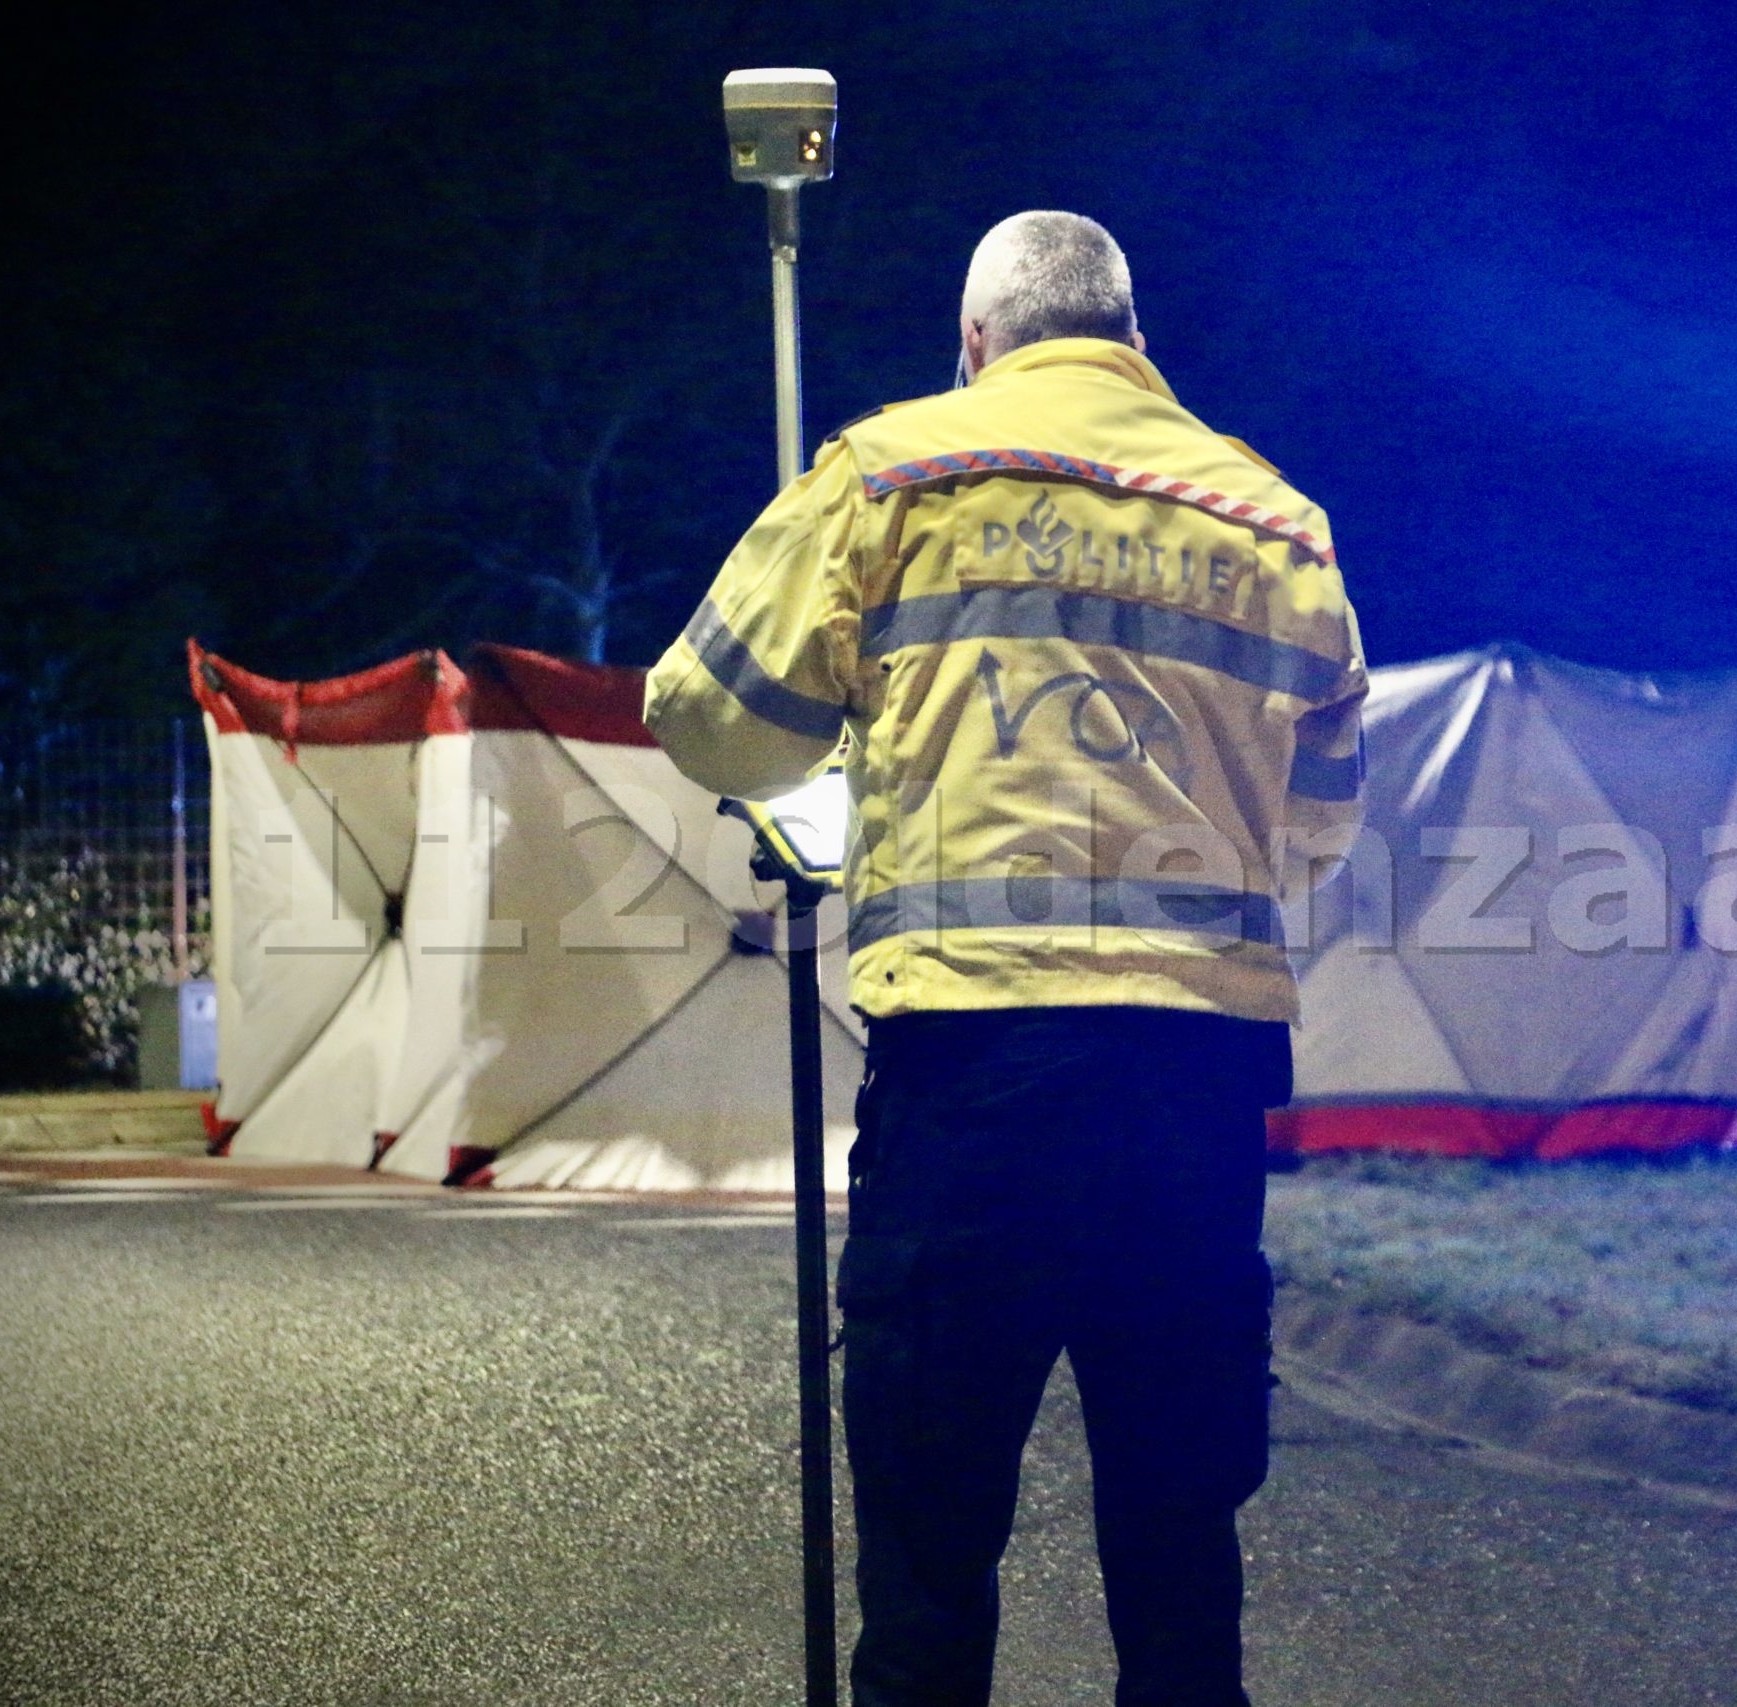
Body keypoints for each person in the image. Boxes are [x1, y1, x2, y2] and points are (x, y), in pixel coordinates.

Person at [644, 210, 1367, 1707]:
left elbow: (704, 712)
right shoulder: (1277, 521)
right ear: (1136, 342)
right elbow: (1318, 827)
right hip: (1192, 1095)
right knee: (1179, 1537)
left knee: (927, 1539)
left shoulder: (894, 472)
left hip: (973, 1081)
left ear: (975, 341)